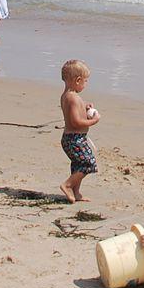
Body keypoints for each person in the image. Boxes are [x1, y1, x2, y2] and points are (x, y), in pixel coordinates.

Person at [58, 59, 100, 202]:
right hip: (74, 139)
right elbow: (76, 122)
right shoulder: (74, 98)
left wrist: (85, 107)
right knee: (88, 163)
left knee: (78, 164)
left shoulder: (67, 96)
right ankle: (68, 185)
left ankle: (76, 192)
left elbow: (74, 111)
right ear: (78, 80)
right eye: (86, 81)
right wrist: (93, 120)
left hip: (71, 138)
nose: (86, 84)